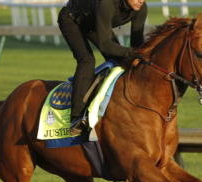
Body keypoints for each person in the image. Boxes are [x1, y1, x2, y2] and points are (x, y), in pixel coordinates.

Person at [58, 0, 147, 136]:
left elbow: (137, 43)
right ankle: (76, 117)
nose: (141, 1)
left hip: (93, 22)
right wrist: (133, 53)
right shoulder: (107, 3)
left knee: (122, 61)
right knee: (87, 60)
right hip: (71, 19)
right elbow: (105, 44)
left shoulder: (141, 8)